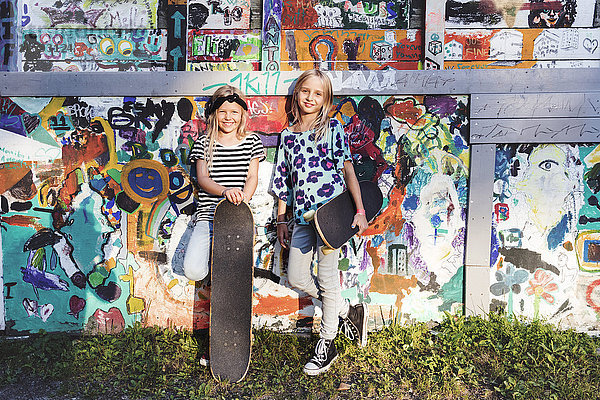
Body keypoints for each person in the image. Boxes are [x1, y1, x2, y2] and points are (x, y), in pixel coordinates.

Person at [272, 69, 369, 376]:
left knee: (327, 281)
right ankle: (343, 311)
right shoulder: (287, 136)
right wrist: (280, 219)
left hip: (331, 219)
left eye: (317, 94)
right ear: (296, 94)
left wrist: (360, 210)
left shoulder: (333, 129)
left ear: (326, 99)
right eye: (305, 92)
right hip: (301, 218)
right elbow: (283, 182)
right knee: (298, 277)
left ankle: (328, 342)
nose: (310, 98)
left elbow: (348, 170)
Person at [183, 85, 264, 363]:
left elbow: (252, 177)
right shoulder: (204, 144)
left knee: (230, 285)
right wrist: (225, 192)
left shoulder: (252, 142)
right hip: (209, 216)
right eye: (222, 112)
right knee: (194, 269)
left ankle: (224, 341)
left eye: (234, 112)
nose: (228, 117)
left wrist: (244, 197)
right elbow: (203, 180)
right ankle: (216, 332)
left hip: (237, 221)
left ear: (242, 114)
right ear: (214, 114)